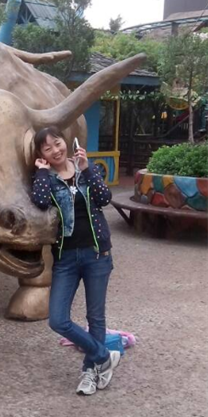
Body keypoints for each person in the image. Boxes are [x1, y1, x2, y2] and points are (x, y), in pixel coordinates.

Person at [31, 126, 120, 396]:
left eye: (57, 143)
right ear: (42, 154)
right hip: (66, 257)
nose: (55, 150)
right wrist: (42, 172)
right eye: (47, 148)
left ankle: (90, 372)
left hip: (97, 254)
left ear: (66, 142)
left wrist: (87, 168)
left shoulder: (84, 170)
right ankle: (103, 356)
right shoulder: (46, 178)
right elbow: (40, 202)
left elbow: (104, 198)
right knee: (58, 319)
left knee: (96, 317)